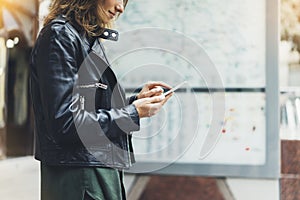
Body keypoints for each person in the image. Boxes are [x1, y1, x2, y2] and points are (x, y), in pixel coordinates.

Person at [30, 0, 173, 199]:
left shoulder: (83, 37)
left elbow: (89, 108)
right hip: (80, 176)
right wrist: (133, 113)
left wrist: (135, 102)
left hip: (93, 169)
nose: (121, 8)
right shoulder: (60, 36)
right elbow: (66, 122)